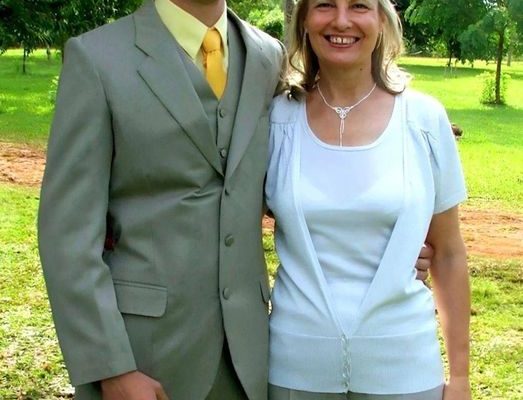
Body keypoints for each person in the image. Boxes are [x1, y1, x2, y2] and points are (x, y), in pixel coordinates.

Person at [38, 0, 431, 399]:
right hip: (143, 357)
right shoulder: (97, 58)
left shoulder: (268, 57)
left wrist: (377, 242)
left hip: (250, 357)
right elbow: (67, 235)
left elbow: (296, 177)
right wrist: (112, 367)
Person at [265, 1, 471, 400]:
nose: (342, 20)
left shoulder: (424, 120)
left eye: (359, 5)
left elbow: (448, 253)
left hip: (405, 367)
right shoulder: (276, 121)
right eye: (325, 5)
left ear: (382, 21)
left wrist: (460, 377)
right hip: (295, 368)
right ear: (304, 19)